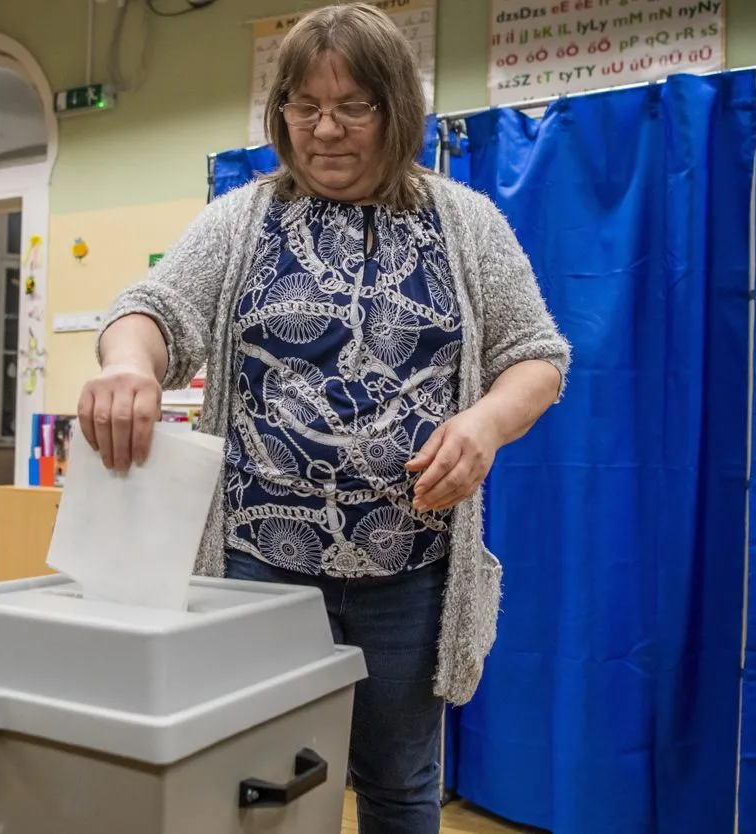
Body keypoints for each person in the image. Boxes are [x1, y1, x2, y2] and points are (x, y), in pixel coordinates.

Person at [78, 4, 570, 831]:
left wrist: (483, 425)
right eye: (304, 108)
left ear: (396, 111)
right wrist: (129, 364)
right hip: (260, 565)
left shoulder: (465, 223)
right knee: (255, 780)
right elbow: (152, 309)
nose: (325, 131)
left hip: (410, 570)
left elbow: (537, 356)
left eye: (353, 107)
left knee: (399, 785)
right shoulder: (244, 219)